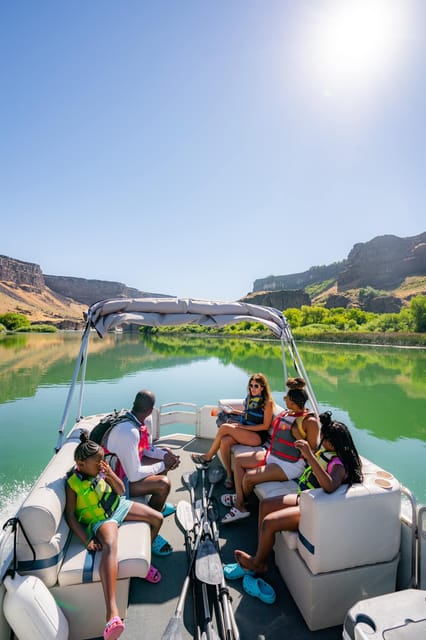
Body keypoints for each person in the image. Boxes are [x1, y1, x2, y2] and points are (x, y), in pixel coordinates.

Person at [233, 412, 363, 573]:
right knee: (265, 505)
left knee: (269, 522)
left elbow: (329, 486)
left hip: (315, 509)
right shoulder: (327, 454)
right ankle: (262, 551)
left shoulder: (338, 464)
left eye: (326, 439)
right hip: (305, 498)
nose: (323, 441)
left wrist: (309, 454)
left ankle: (258, 564)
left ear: (334, 442)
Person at [65, 432, 165, 640]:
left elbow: (120, 491)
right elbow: (71, 517)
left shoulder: (101, 471)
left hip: (118, 507)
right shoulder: (73, 484)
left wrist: (110, 474)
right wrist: (87, 539)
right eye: (98, 461)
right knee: (110, 545)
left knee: (157, 518)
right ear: (81, 464)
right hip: (101, 520)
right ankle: (112, 613)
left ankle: (145, 566)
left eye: (103, 460)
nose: (102, 464)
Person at [221, 377, 319, 523]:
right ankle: (240, 497)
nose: (284, 399)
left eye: (286, 397)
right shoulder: (287, 413)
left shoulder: (309, 422)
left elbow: (312, 450)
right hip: (272, 455)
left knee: (248, 478)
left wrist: (298, 436)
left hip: (288, 465)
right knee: (239, 461)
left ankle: (240, 505)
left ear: (292, 401)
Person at [104, 389, 180, 555]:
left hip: (124, 471)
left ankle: (157, 508)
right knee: (163, 484)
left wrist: (165, 455)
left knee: (164, 458)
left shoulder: (134, 420)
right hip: (116, 484)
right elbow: (134, 475)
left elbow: (146, 450)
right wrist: (163, 464)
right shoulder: (129, 432)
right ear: (150, 410)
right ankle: (151, 526)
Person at [191, 373, 275, 489]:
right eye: (251, 385)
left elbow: (265, 426)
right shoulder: (250, 398)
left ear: (262, 387)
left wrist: (244, 427)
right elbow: (248, 414)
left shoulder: (267, 403)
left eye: (256, 386)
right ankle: (229, 476)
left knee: (225, 427)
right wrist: (235, 412)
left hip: (257, 436)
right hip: (246, 431)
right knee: (225, 441)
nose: (253, 388)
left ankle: (208, 457)